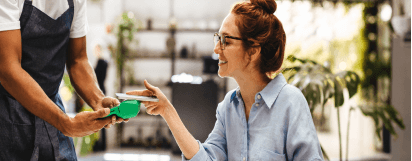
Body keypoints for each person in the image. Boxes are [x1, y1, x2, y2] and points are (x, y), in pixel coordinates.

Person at [126, 0, 324, 160]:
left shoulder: (290, 102)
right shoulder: (229, 106)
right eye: (218, 39)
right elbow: (206, 158)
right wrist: (167, 110)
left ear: (253, 50)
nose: (216, 49)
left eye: (226, 41)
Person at [0, 0, 126, 160]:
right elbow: (8, 69)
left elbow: (78, 60)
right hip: (7, 118)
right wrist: (65, 123)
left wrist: (98, 100)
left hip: (54, 113)